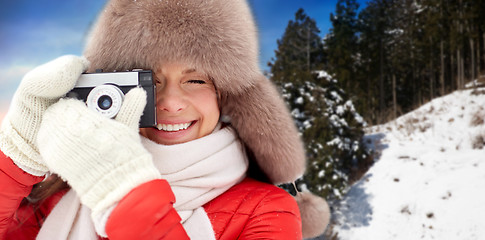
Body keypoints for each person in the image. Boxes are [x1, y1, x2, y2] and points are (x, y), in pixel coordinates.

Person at [0, 0, 330, 239]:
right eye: (149, 81)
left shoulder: (267, 209)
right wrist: (18, 155)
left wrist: (125, 196)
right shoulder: (66, 193)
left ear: (225, 95)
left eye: (196, 80)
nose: (170, 103)